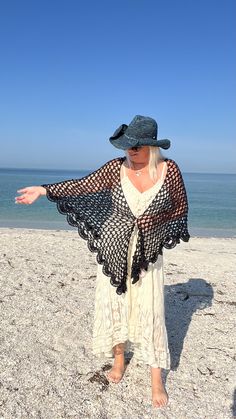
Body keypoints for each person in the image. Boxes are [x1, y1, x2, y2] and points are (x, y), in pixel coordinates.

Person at [15, 115, 190, 409]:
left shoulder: (169, 170)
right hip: (114, 245)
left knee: (151, 310)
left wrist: (152, 221)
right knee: (115, 304)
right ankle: (119, 360)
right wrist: (44, 190)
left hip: (147, 252)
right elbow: (82, 186)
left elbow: (179, 210)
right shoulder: (115, 168)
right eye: (127, 146)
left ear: (151, 146)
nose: (131, 151)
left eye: (136, 146)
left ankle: (156, 378)